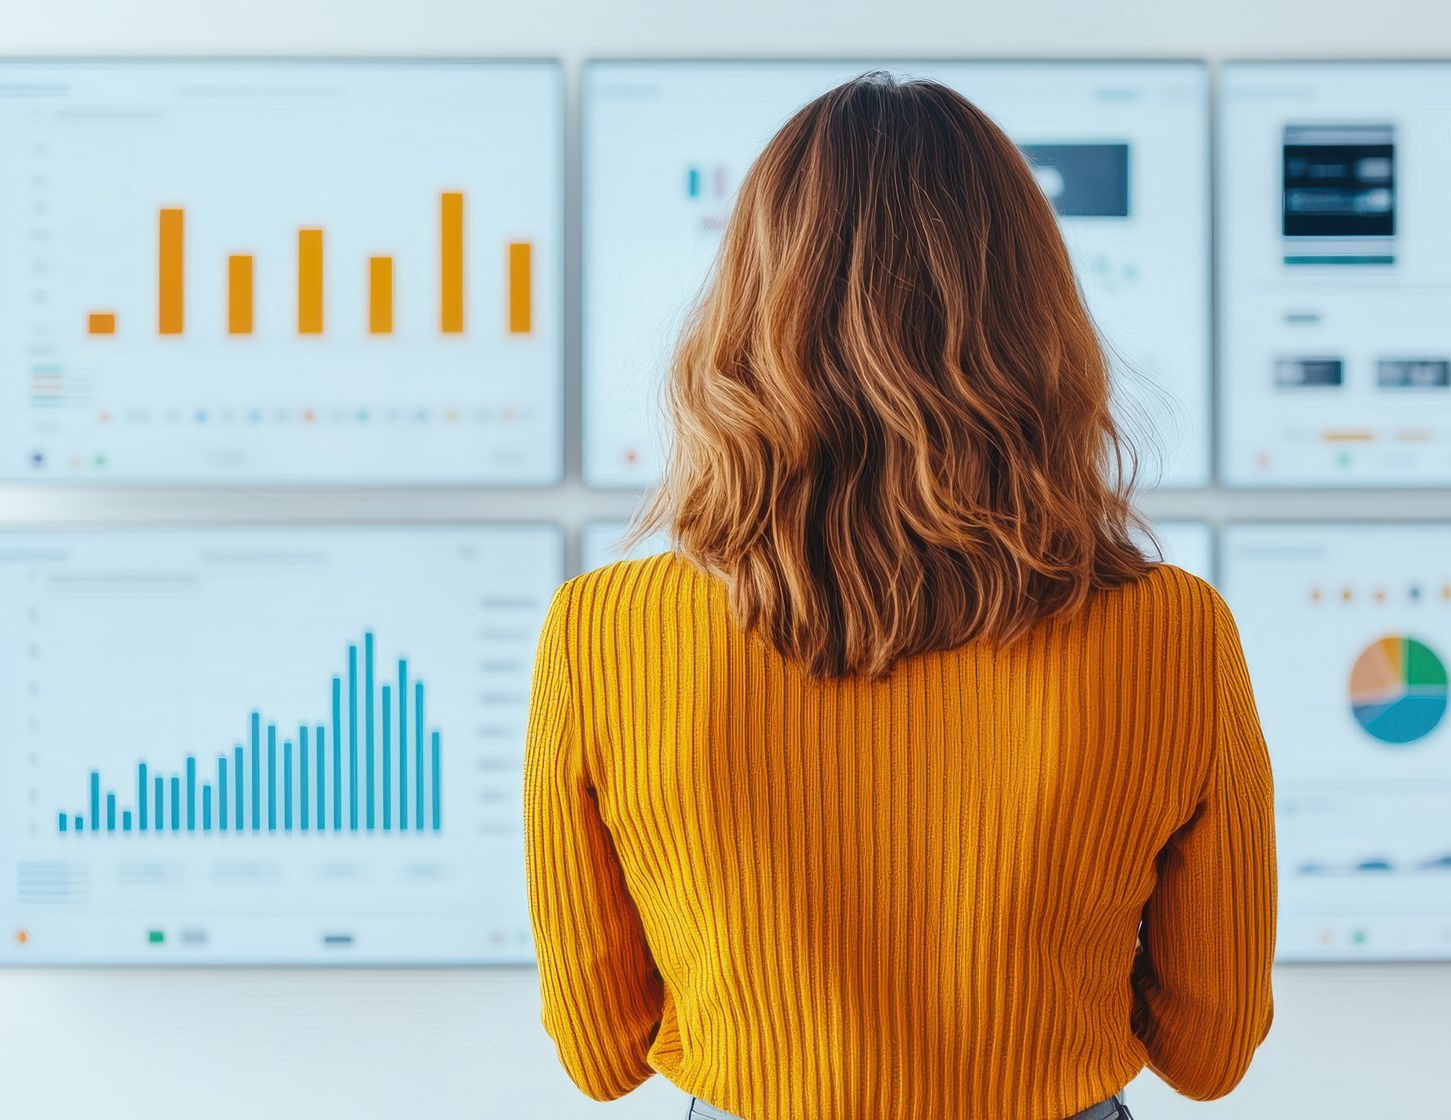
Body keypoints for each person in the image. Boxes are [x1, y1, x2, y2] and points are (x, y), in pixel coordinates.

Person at [524, 71, 1274, 1120]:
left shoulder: (602, 633)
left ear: (745, 316)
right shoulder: (1173, 631)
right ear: (1033, 314)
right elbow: (1208, 1044)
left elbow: (601, 1049)